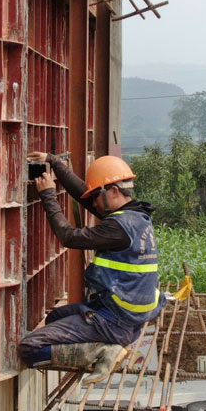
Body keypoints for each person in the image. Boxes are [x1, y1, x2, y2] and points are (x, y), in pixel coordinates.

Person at [18, 153, 165, 385]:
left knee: (29, 348)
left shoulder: (118, 228)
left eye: (98, 196)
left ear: (114, 192)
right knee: (55, 318)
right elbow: (85, 198)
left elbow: (69, 236)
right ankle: (106, 347)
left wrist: (47, 194)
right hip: (125, 317)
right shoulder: (135, 217)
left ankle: (100, 352)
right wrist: (54, 162)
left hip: (114, 321)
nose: (94, 203)